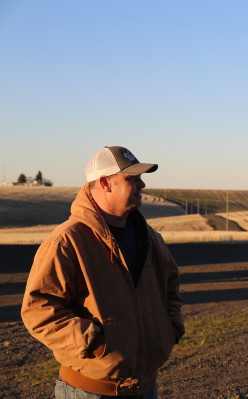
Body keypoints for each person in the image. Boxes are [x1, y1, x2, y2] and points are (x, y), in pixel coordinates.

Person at [21, 146, 185, 398]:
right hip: (88, 391)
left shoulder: (151, 238)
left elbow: (170, 288)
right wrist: (93, 342)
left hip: (145, 387)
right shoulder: (67, 241)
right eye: (132, 178)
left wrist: (170, 328)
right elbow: (38, 310)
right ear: (104, 183)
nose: (142, 184)